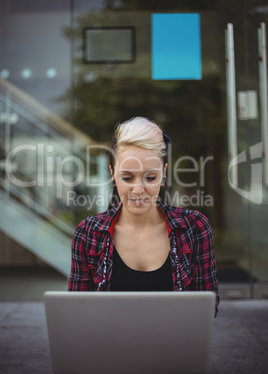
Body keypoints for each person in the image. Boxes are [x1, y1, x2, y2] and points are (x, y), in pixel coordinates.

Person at [68, 117, 219, 315]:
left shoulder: (195, 227)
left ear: (164, 174)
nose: (138, 190)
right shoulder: (87, 234)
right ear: (112, 173)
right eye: (127, 177)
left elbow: (207, 310)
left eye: (150, 177)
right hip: (108, 345)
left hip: (175, 345)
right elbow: (77, 313)